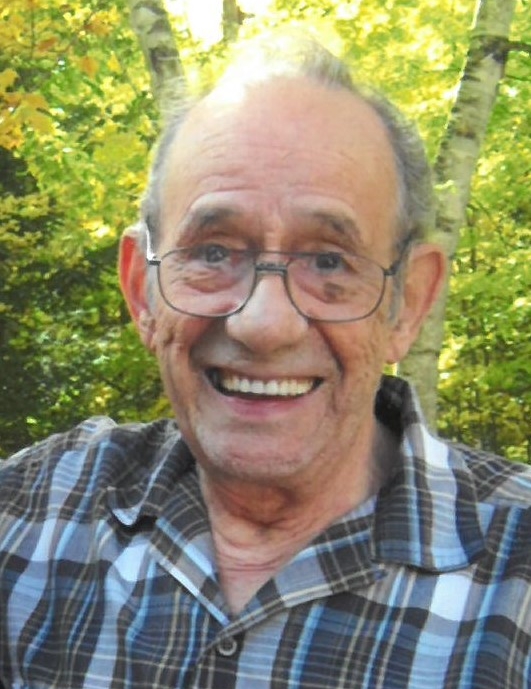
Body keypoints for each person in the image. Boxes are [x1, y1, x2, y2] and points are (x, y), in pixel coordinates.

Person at [0, 32, 530, 689]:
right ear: (142, 289)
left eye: (328, 261)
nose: (264, 324)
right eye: (213, 252)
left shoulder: (515, 578)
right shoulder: (29, 519)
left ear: (409, 304)